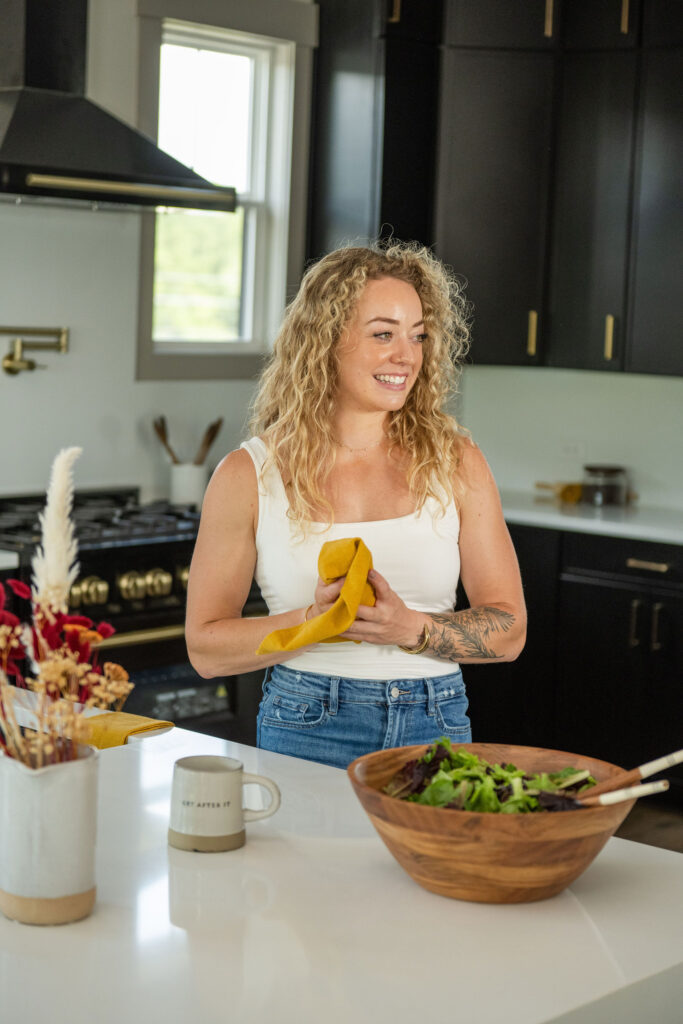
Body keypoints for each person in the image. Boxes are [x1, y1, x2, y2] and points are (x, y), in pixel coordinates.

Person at [185, 241, 526, 769]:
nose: (407, 355)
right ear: (325, 341)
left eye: (418, 336)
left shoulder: (456, 461)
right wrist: (315, 622)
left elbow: (510, 632)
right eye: (383, 334)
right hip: (307, 718)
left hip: (435, 721)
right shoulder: (248, 474)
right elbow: (206, 650)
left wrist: (410, 629)